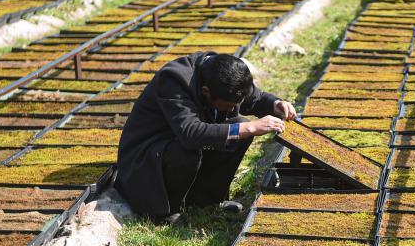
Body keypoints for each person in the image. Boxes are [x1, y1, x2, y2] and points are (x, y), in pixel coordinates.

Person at [116, 52, 296, 224]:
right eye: (227, 106)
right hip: (147, 158)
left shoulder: (224, 73)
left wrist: (275, 104)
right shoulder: (174, 80)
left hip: (178, 144)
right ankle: (164, 212)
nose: (231, 109)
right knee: (192, 150)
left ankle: (204, 201)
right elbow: (191, 134)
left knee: (238, 129)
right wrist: (249, 127)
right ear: (206, 91)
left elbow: (254, 98)